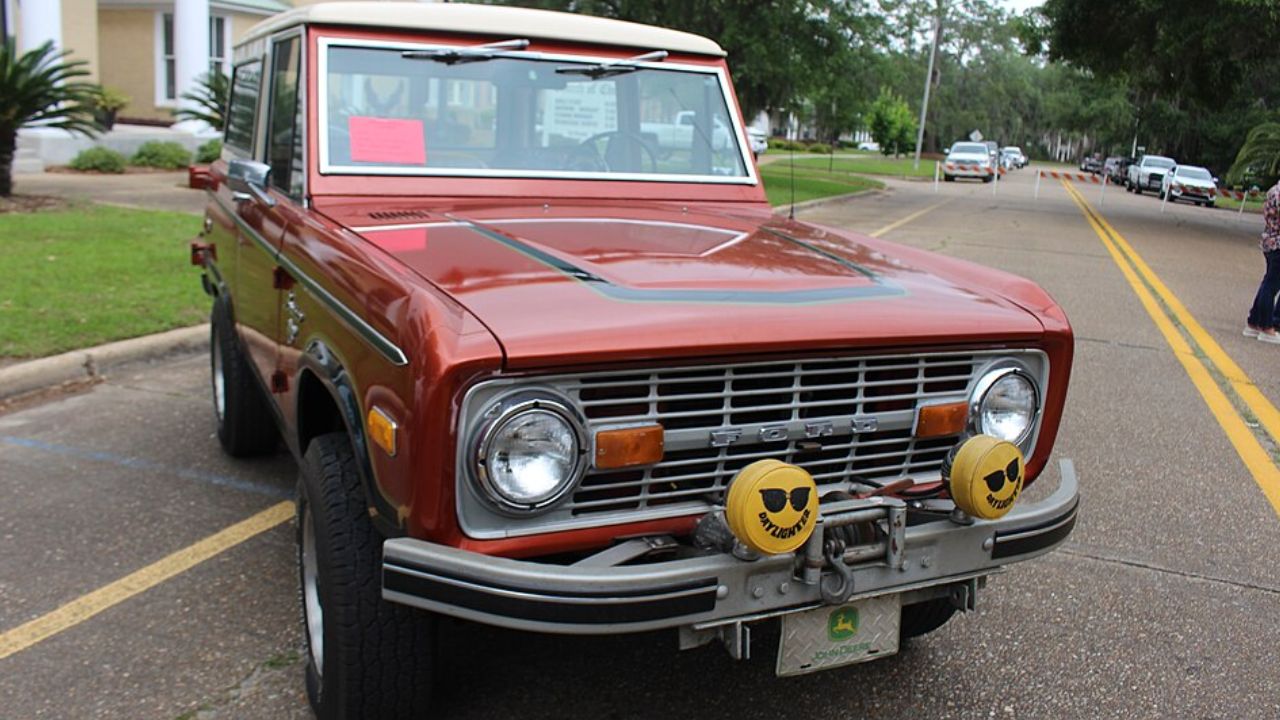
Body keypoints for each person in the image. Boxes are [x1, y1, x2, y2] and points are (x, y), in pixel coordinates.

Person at [1246, 179, 1280, 343]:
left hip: (1270, 241)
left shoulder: (1273, 190)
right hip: (1278, 244)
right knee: (1271, 285)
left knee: (1268, 282)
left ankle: (1254, 321)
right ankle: (1267, 327)